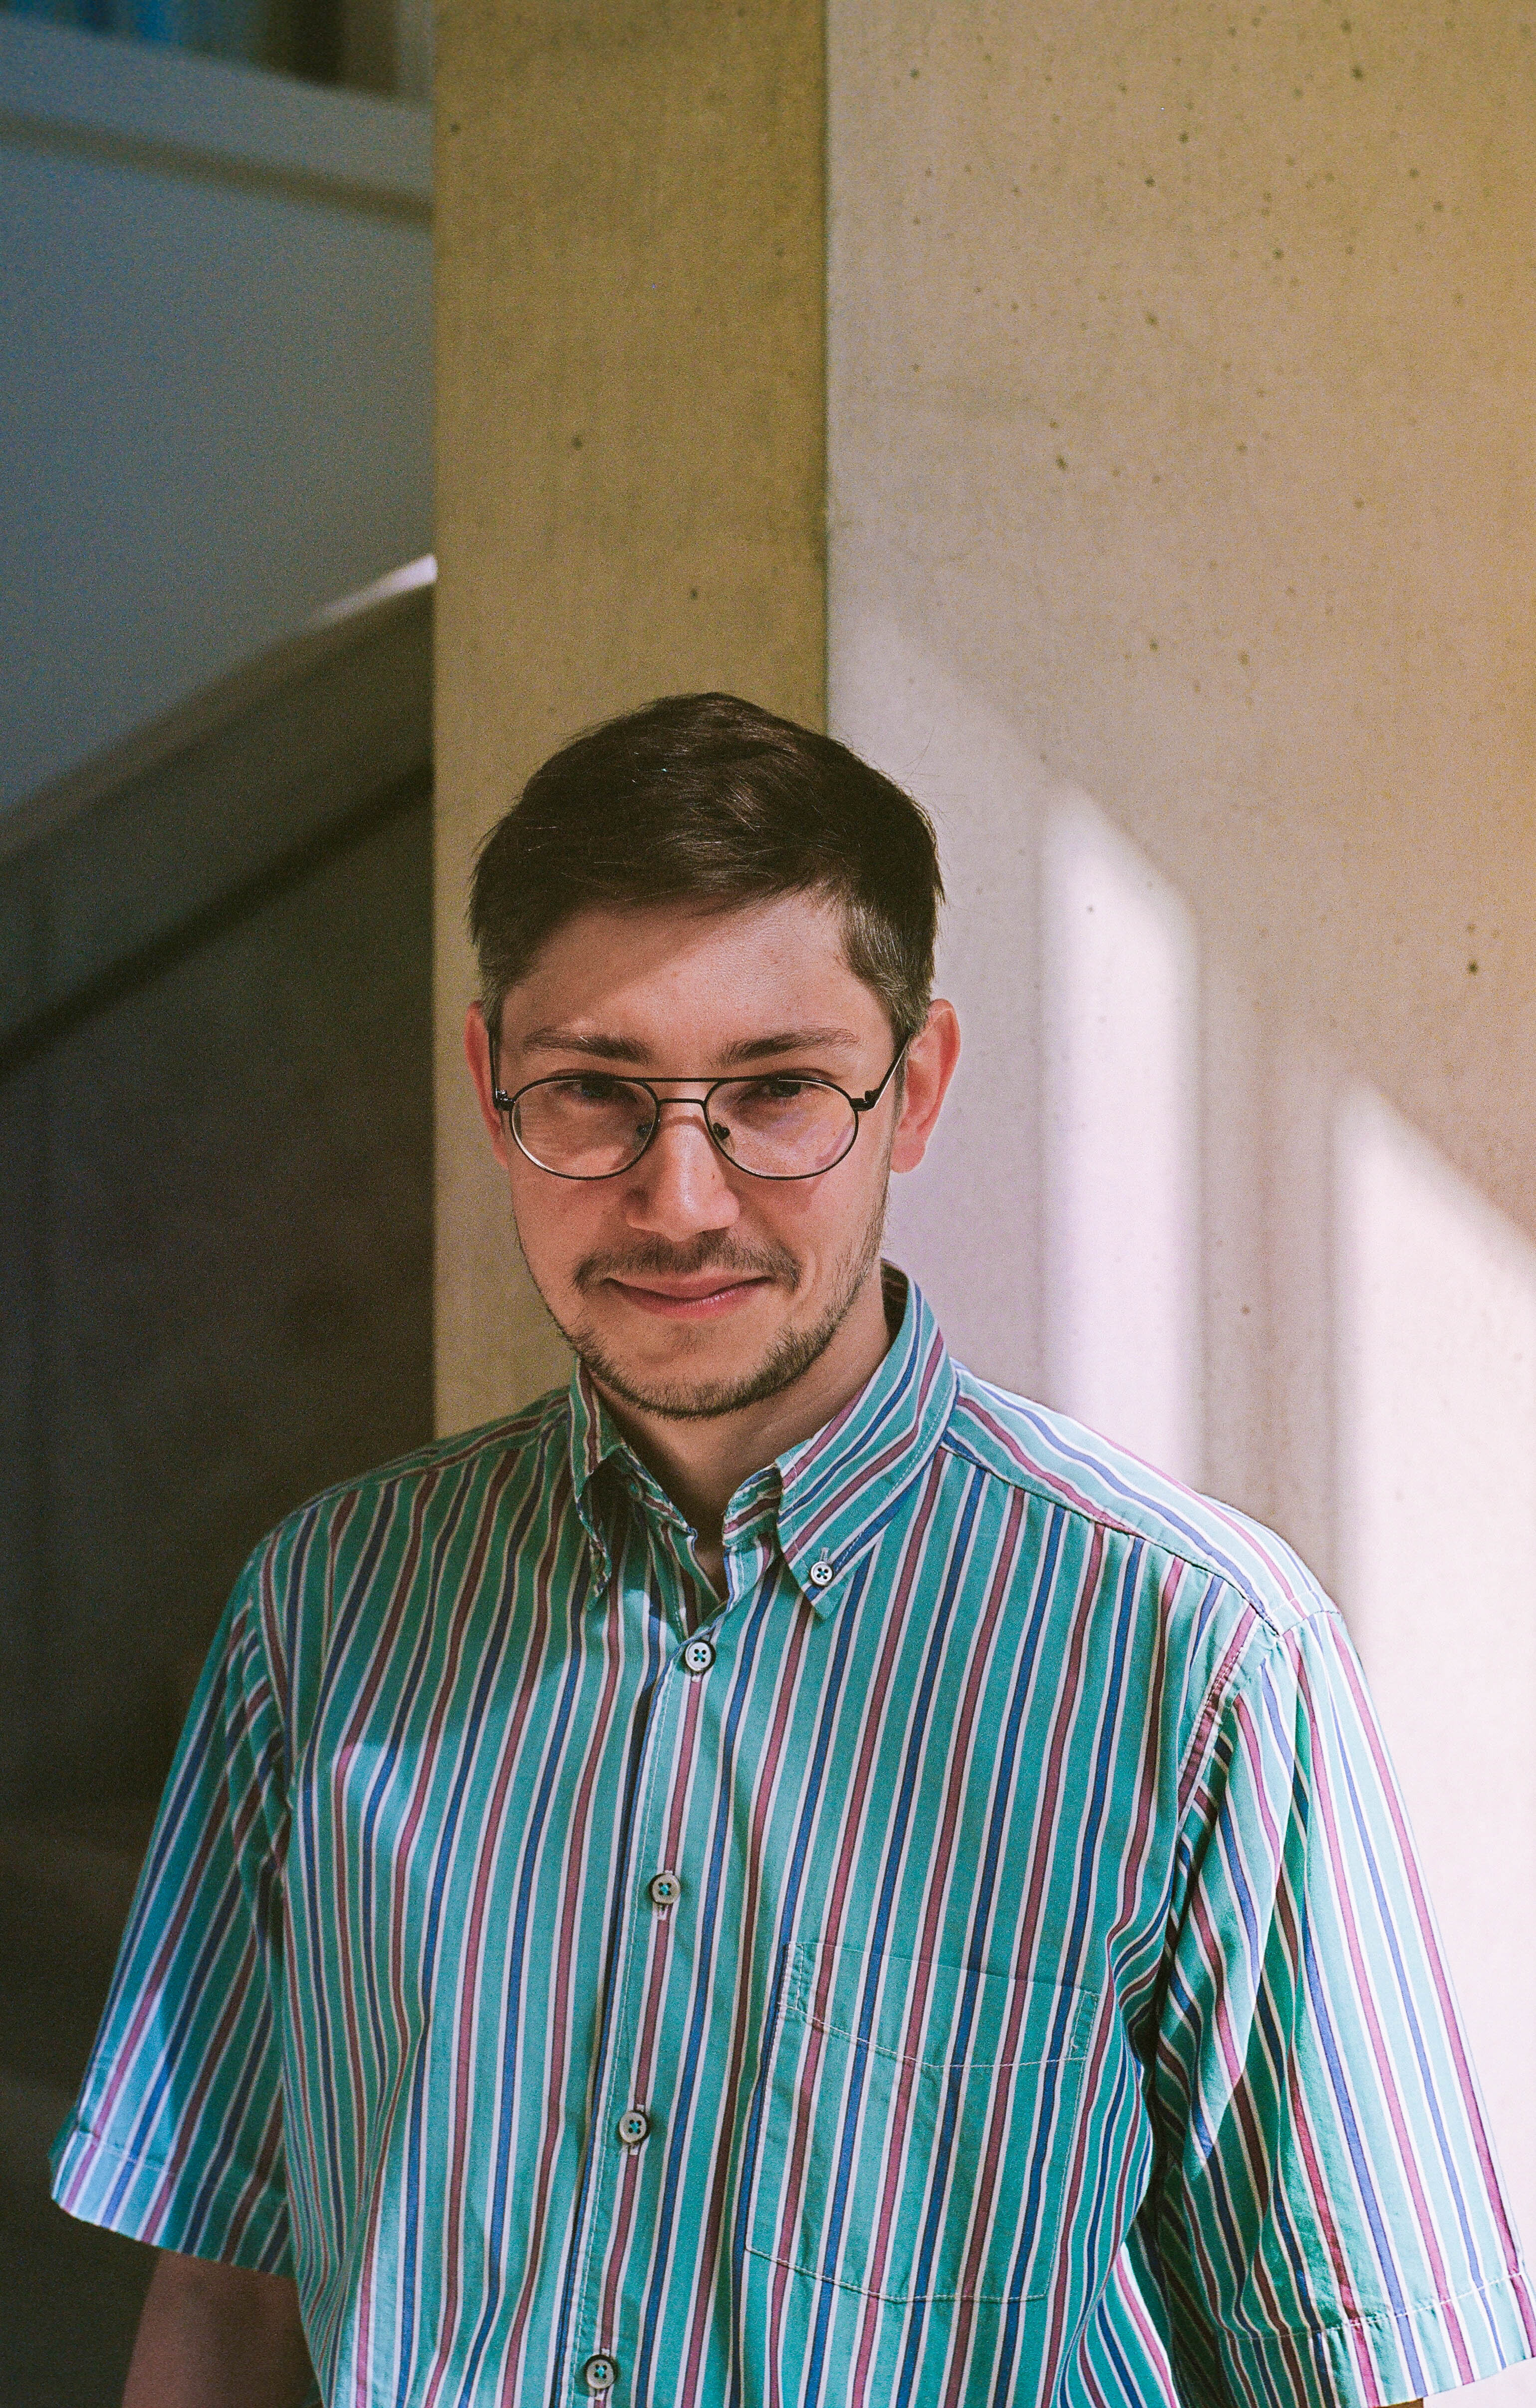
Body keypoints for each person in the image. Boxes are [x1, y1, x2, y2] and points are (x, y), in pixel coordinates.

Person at [55, 694, 1533, 2408]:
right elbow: (225, 2294)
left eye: (776, 1093)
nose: (682, 1197)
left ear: (914, 1089)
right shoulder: (324, 1607)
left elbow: (1340, 2368)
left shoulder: (1196, 1651)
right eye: (596, 1092)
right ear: (487, 1081)